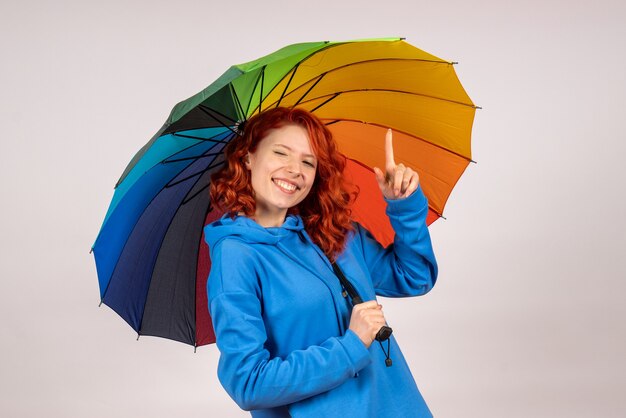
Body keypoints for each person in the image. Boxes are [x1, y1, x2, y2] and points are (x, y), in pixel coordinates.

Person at [204, 107, 438, 417]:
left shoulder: (334, 230)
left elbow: (415, 276)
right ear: (248, 157)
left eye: (307, 161)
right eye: (281, 153)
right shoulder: (236, 256)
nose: (294, 169)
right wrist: (352, 345)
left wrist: (404, 207)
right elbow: (248, 383)